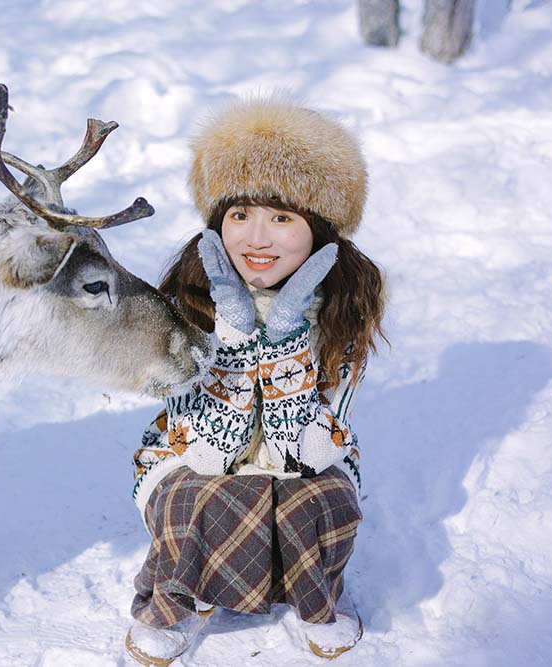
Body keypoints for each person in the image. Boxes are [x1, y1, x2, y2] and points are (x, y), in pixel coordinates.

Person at [125, 98, 387, 665]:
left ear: (319, 231)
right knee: (207, 500)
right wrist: (238, 345)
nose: (256, 238)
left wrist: (289, 343)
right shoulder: (194, 295)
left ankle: (316, 599)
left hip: (309, 450)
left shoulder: (342, 308)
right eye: (240, 214)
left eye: (283, 217)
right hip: (194, 455)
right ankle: (179, 600)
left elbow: (311, 451)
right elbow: (206, 453)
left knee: (315, 499)